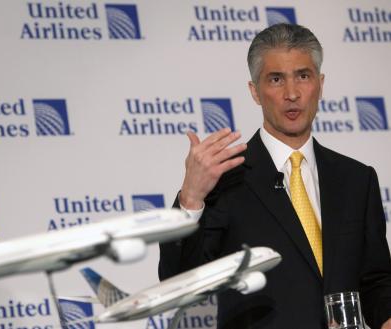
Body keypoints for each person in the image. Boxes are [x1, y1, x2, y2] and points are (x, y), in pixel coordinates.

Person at [158, 23, 391, 329]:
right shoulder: (226, 178)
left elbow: (375, 281)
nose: (292, 94)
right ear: (255, 91)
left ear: (320, 84)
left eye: (303, 76)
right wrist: (191, 198)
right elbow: (179, 285)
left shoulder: (357, 179)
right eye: (276, 79)